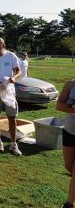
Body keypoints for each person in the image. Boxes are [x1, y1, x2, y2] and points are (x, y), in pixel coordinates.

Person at [56, 79, 75, 208]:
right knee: (69, 167)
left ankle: (69, 204)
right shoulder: (71, 84)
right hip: (70, 132)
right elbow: (58, 105)